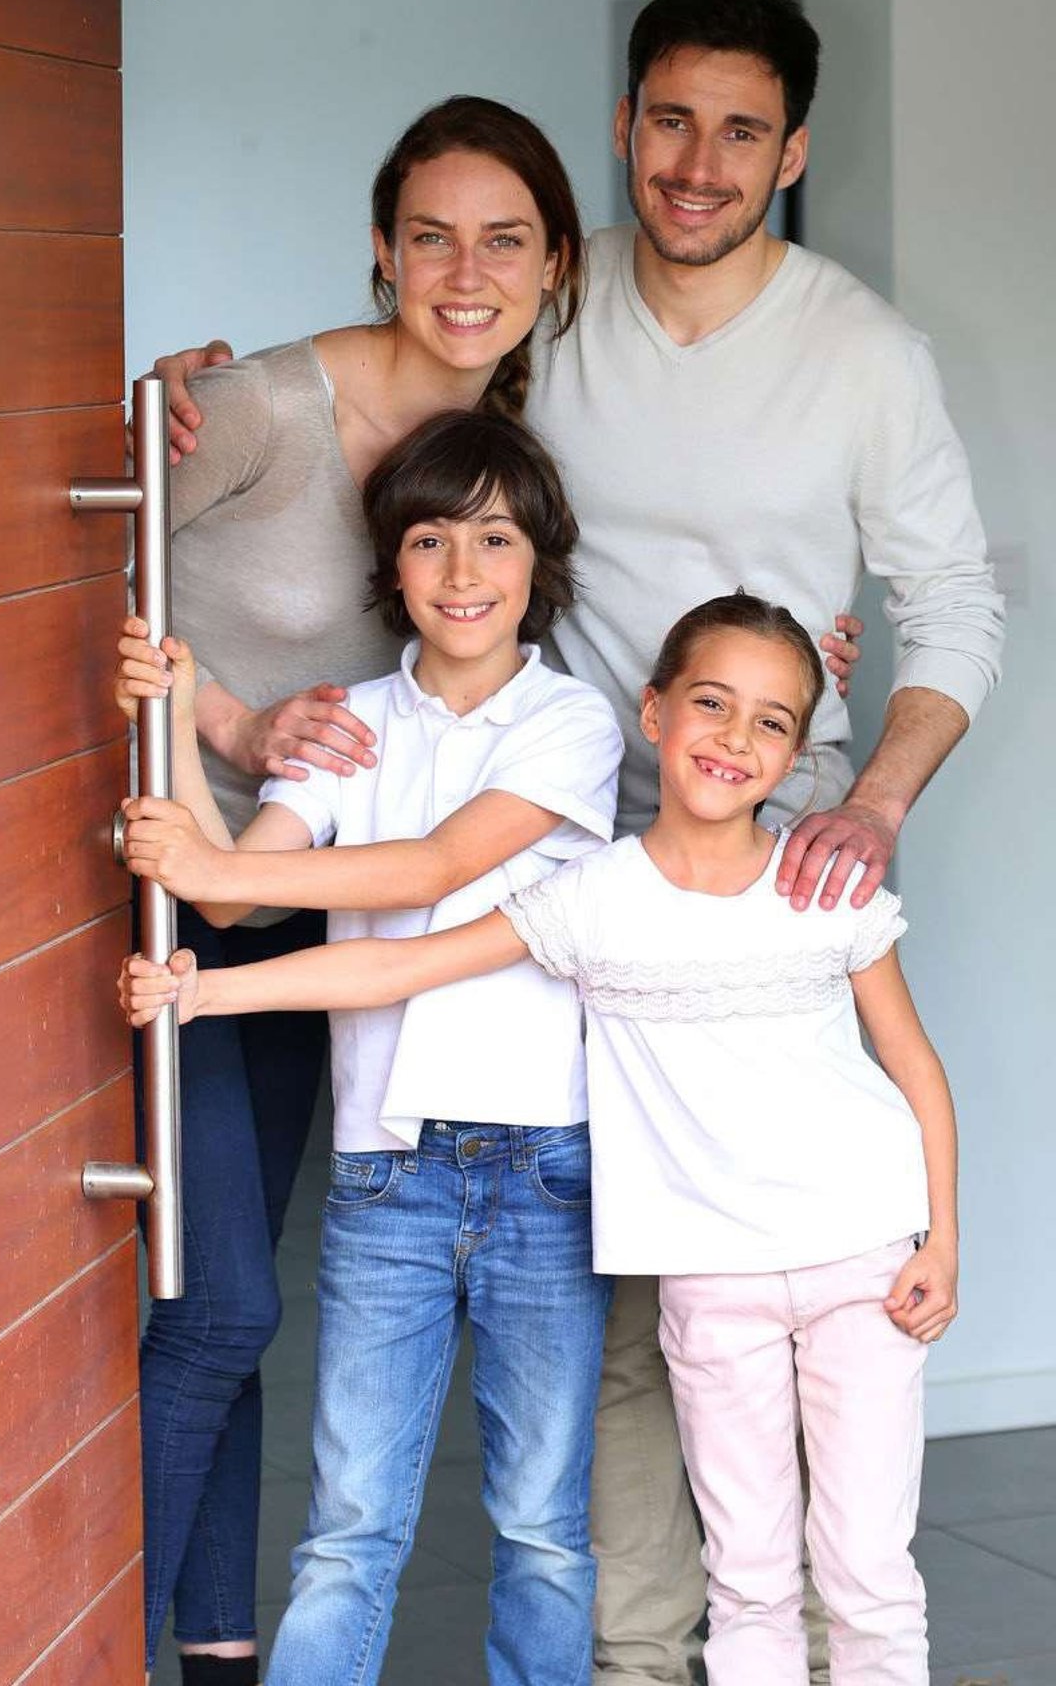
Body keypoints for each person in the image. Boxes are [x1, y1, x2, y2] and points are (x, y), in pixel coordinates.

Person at [147, 0, 1002, 1686]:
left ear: (794, 152)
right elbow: (425, 344)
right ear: (624, 128)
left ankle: (829, 1626)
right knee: (622, 1302)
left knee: (781, 1260)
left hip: (767, 853)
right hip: (556, 837)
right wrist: (196, 401)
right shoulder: (563, 292)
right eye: (669, 121)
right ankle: (642, 1654)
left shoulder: (862, 354)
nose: (697, 163)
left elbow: (957, 604)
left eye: (741, 132)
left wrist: (868, 796)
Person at [123, 590, 958, 1686]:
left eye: (770, 722)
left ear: (797, 753)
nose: (735, 738)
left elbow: (914, 1065)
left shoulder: (823, 886)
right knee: (748, 1581)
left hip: (863, 1255)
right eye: (711, 704)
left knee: (868, 1575)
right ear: (652, 713)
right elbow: (398, 965)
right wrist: (205, 993)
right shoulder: (591, 897)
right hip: (712, 1278)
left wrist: (942, 1241)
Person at [137, 96, 587, 1686]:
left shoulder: (509, 453)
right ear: (383, 251)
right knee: (221, 1307)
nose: (467, 272)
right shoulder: (259, 405)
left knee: (226, 1306)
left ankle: (215, 1653)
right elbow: (69, 541)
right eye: (431, 237)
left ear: (555, 264)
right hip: (177, 881)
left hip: (304, 914)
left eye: (505, 240)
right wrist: (226, 724)